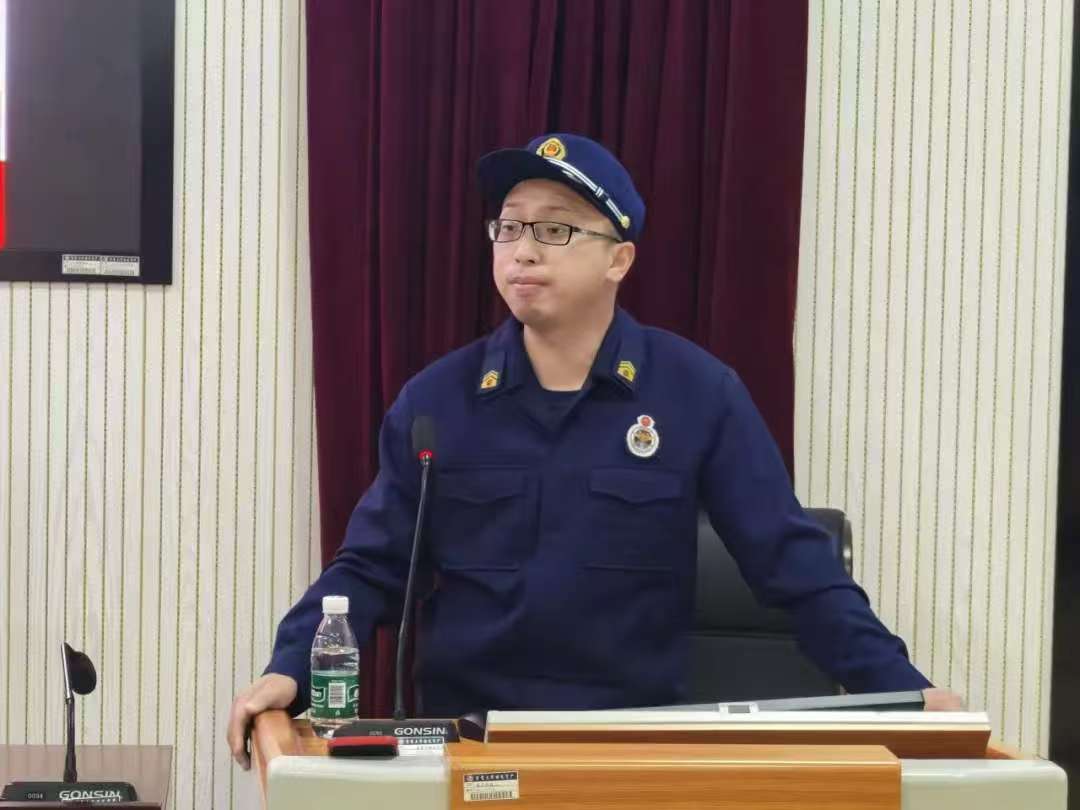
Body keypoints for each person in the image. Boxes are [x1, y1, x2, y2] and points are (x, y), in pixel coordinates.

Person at [228, 133, 962, 769]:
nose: (522, 250)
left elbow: (794, 564)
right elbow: (371, 565)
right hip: (468, 745)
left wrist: (904, 692)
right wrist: (290, 668)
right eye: (509, 227)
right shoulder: (438, 402)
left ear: (619, 260)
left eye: (555, 229)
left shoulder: (697, 393)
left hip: (632, 747)